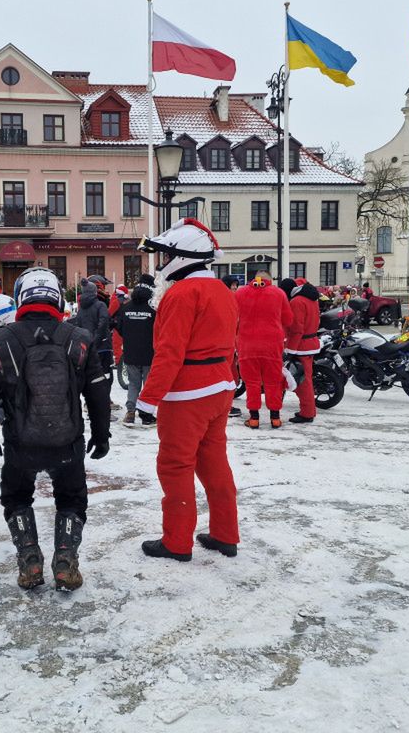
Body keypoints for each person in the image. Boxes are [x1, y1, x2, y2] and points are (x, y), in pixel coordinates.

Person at [0, 267, 111, 591]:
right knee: (72, 499)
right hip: (68, 442)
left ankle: (29, 560)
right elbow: (98, 393)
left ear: (22, 297)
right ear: (58, 298)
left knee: (17, 497)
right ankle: (65, 562)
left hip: (21, 444)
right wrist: (101, 435)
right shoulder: (79, 338)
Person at [136, 219, 240, 562]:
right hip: (220, 388)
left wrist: (148, 399)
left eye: (166, 255)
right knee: (214, 463)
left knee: (175, 465)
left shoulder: (182, 293)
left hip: (187, 395)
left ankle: (177, 542)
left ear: (182, 256)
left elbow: (169, 352)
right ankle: (226, 534)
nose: (162, 263)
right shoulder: (223, 291)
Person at [235, 271, 292, 430]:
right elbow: (288, 319)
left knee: (251, 382)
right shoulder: (278, 293)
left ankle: (254, 418)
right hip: (272, 344)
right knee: (273, 381)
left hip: (247, 344)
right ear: (269, 279)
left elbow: (233, 318)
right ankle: (275, 418)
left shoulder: (240, 293)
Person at [114, 273, 156, 426]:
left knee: (133, 383)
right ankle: (146, 415)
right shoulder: (153, 310)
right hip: (149, 354)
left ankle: (130, 413)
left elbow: (119, 328)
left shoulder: (125, 307)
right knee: (148, 384)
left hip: (131, 353)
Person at [280, 278, 321, 424]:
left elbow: (297, 329)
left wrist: (291, 350)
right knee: (307, 380)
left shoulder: (297, 302)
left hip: (301, 346)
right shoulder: (312, 299)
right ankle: (309, 410)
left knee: (303, 383)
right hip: (311, 343)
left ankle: (307, 413)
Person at [109, 284, 128, 369]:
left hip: (118, 326)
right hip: (127, 325)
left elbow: (109, 313)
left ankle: (118, 363)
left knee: (116, 344)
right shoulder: (128, 300)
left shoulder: (116, 301)